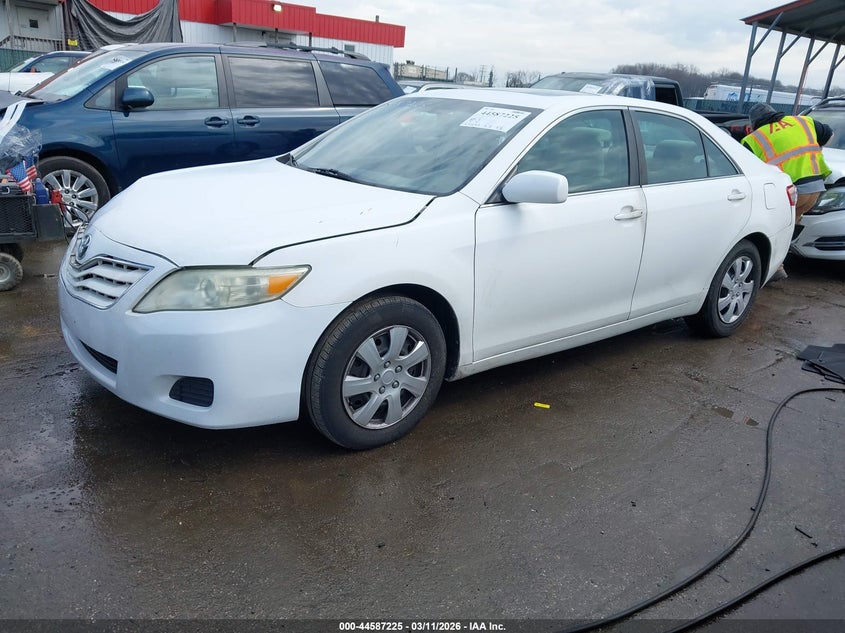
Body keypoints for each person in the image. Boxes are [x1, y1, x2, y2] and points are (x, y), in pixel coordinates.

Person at [742, 102, 833, 281]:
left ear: (754, 124)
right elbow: (829, 134)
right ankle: (779, 264)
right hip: (815, 189)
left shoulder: (754, 139)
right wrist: (818, 148)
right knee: (789, 226)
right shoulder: (803, 122)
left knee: (776, 230)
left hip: (792, 192)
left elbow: (746, 168)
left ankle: (775, 268)